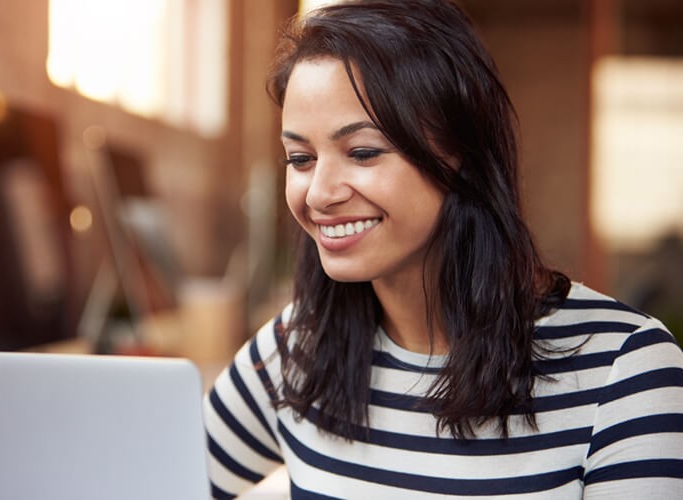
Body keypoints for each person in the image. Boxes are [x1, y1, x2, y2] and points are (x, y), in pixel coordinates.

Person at [203, 0, 683, 498]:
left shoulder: (624, 370)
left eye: (363, 152)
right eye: (300, 158)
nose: (319, 193)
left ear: (462, 156)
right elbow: (156, 475)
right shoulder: (296, 349)